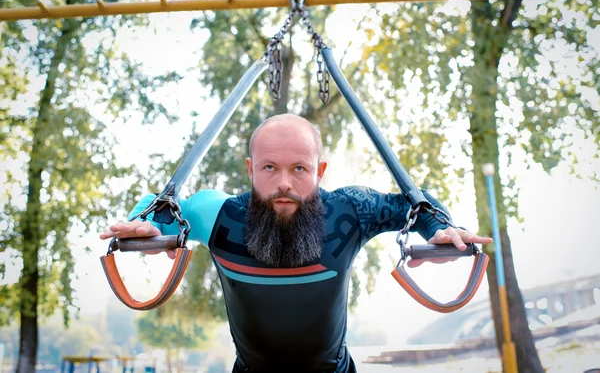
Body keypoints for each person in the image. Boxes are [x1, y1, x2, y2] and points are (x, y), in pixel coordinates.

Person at [100, 114, 492, 373]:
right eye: (269, 167)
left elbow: (414, 202)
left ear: (319, 171)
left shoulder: (350, 211)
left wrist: (439, 229)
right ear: (251, 170)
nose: (284, 182)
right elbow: (164, 206)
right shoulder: (217, 215)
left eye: (299, 169)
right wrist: (144, 223)